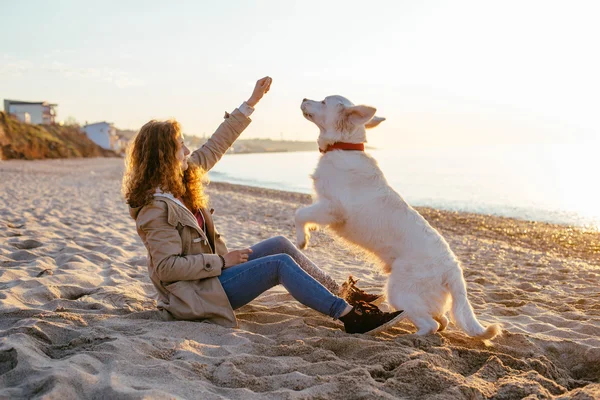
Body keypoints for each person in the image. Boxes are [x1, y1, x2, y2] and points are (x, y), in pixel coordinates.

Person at [122, 76, 403, 334]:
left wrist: (252, 101)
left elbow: (217, 144)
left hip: (211, 279)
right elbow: (167, 268)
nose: (187, 151)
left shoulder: (182, 178)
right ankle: (351, 317)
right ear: (163, 157)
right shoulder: (154, 209)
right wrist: (222, 261)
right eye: (180, 146)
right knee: (278, 265)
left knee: (279, 244)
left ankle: (343, 293)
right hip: (195, 297)